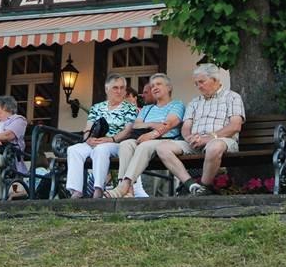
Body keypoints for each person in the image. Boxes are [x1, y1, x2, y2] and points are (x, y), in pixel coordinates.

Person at [154, 63, 245, 196]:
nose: (198, 86)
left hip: (222, 140)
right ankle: (191, 185)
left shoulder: (232, 97)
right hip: (196, 142)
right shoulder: (194, 102)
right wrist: (189, 138)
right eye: (196, 83)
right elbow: (186, 127)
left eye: (202, 82)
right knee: (162, 148)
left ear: (215, 79)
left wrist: (209, 138)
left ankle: (204, 187)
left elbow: (235, 126)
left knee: (214, 146)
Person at [108, 73, 186, 198]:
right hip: (143, 139)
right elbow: (136, 125)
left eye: (158, 84)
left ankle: (124, 185)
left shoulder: (177, 104)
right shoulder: (147, 108)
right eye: (152, 86)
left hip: (166, 141)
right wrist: (153, 124)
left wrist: (151, 133)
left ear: (169, 87)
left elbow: (169, 123)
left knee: (145, 145)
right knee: (126, 144)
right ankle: (128, 190)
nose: (154, 88)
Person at [66, 75, 139, 198]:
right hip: (95, 141)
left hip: (116, 144)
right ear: (106, 89)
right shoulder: (97, 107)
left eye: (122, 88)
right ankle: (76, 191)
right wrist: (88, 139)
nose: (119, 91)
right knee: (73, 150)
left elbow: (128, 131)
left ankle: (98, 188)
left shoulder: (130, 108)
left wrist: (111, 139)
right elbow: (88, 128)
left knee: (101, 149)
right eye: (115, 88)